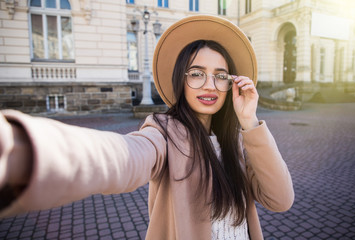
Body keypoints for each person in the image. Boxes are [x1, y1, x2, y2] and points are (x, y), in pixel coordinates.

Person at [0, 15, 294, 239]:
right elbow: (127, 155)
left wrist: (250, 123)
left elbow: (280, 200)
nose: (209, 85)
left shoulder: (238, 142)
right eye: (196, 73)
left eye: (220, 76)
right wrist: (23, 152)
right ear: (181, 79)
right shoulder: (163, 131)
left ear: (231, 84)